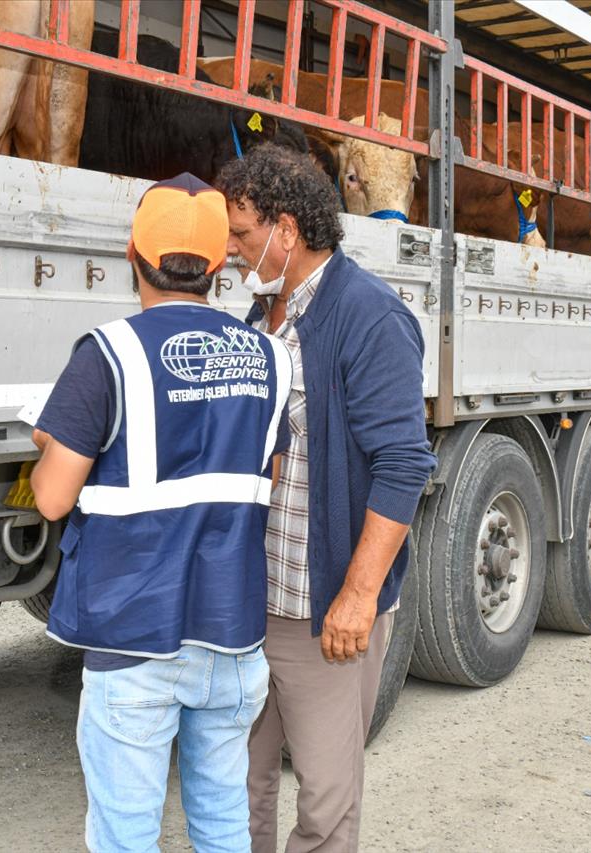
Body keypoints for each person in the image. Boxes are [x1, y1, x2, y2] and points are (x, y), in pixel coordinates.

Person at [29, 172, 293, 853]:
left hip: (133, 638)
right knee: (223, 825)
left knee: (125, 836)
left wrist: (52, 446)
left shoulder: (107, 355)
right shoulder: (270, 357)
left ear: (133, 255)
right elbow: (261, 474)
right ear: (218, 265)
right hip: (233, 637)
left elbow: (54, 496)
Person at [216, 144, 437, 852]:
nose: (229, 249)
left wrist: (359, 593)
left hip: (324, 612)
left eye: (241, 234)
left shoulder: (369, 316)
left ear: (286, 230)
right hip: (254, 608)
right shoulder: (261, 320)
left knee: (326, 800)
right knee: (238, 785)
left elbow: (404, 464)